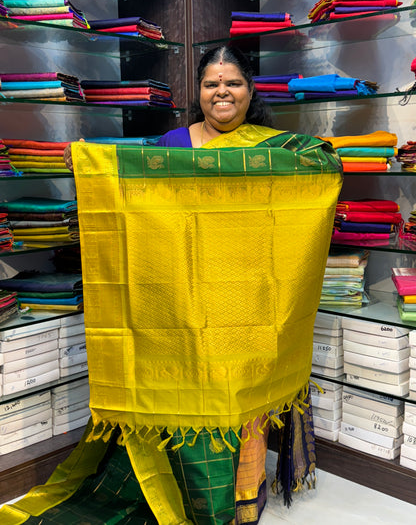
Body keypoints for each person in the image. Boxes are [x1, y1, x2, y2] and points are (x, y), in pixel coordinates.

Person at [8, 46, 342, 525]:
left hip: (243, 300)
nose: (221, 92)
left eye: (232, 83)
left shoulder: (274, 149)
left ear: (250, 90)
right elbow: (131, 179)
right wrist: (86, 160)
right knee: (183, 393)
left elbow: (323, 164)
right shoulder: (173, 143)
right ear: (199, 93)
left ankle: (242, 501)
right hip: (180, 296)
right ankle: (178, 494)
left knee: (236, 395)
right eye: (211, 84)